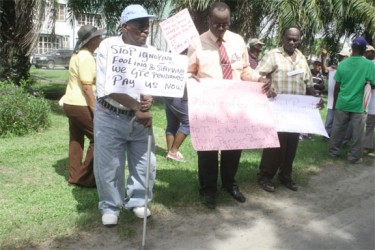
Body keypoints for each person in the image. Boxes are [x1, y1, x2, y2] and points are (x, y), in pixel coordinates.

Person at [187, 2, 269, 209]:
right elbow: (189, 72)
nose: (222, 28)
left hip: (234, 107)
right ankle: (208, 190)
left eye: (225, 24)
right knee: (208, 150)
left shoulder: (238, 41)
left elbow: (245, 72)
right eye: (217, 24)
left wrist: (259, 79)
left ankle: (229, 184)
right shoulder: (197, 43)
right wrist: (191, 81)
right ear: (209, 20)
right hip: (209, 107)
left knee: (234, 148)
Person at [94, 4, 156, 226]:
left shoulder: (151, 51)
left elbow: (153, 81)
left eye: (147, 26)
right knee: (109, 164)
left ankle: (139, 201)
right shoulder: (108, 47)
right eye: (140, 26)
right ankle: (111, 206)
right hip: (110, 114)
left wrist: (149, 98)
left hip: (141, 118)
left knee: (145, 161)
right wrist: (136, 107)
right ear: (125, 26)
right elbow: (108, 87)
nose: (145, 30)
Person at [256, 26, 321, 193]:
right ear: (282, 37)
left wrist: (315, 97)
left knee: (291, 144)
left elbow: (308, 83)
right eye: (289, 38)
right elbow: (258, 75)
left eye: (295, 39)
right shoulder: (273, 55)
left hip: (296, 112)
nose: (292, 42)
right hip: (277, 108)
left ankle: (285, 175)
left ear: (299, 40)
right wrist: (267, 86)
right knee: (275, 145)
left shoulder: (301, 58)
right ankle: (265, 176)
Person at [63, 24, 104, 187]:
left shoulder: (77, 55)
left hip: (70, 102)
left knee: (76, 139)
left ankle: (75, 176)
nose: (101, 39)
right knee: (98, 138)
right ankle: (85, 179)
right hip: (81, 104)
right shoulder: (86, 57)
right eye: (98, 37)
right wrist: (95, 110)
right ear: (92, 41)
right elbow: (87, 87)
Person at [329, 37, 375, 164]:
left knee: (337, 129)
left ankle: (333, 152)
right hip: (359, 105)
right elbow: (373, 84)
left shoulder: (342, 64)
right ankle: (354, 156)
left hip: (342, 102)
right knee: (358, 133)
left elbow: (337, 86)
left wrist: (334, 104)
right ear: (365, 49)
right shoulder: (368, 65)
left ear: (352, 48)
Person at [164, 50, 190, 162]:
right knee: (189, 122)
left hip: (167, 93)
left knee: (172, 124)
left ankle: (170, 153)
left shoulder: (171, 56)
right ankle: (174, 151)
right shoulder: (185, 58)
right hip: (178, 94)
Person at [324, 48, 351, 138]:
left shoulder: (348, 68)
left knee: (340, 120)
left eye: (342, 56)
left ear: (347, 57)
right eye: (339, 55)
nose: (339, 57)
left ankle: (337, 136)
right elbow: (325, 69)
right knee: (330, 117)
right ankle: (326, 134)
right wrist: (323, 57)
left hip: (344, 99)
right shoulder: (334, 67)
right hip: (333, 98)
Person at [363, 45, 375, 156]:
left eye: (367, 52)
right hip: (371, 103)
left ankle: (369, 148)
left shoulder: (372, 64)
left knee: (370, 125)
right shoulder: (368, 63)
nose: (365, 54)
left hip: (373, 103)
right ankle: (367, 147)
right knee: (369, 125)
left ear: (372, 52)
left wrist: (368, 83)